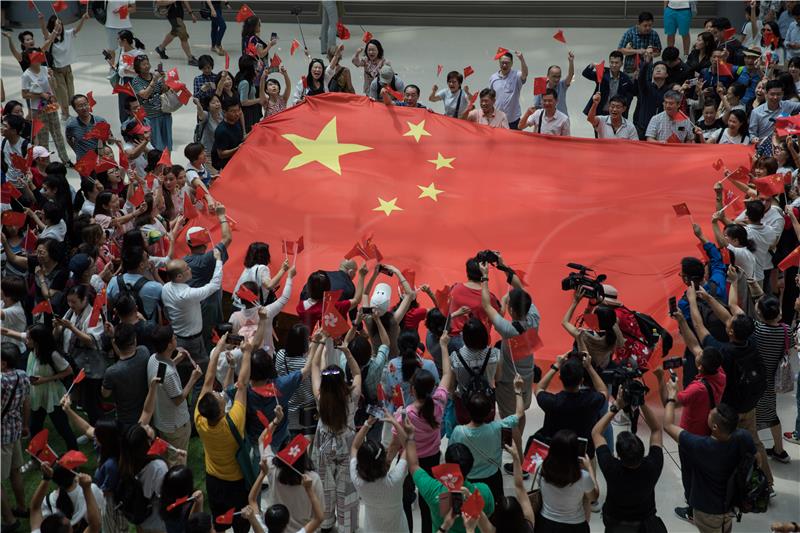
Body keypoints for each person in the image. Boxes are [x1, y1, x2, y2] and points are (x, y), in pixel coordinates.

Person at [684, 281, 774, 493]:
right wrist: (707, 298)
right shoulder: (751, 340)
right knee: (754, 443)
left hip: (728, 411)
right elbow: (728, 318)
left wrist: (692, 301)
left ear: (731, 331)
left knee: (723, 448)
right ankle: (766, 484)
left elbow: (699, 327)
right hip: (749, 405)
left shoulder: (722, 351)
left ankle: (729, 487)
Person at [664, 381, 756, 531]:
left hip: (706, 510)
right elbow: (756, 457)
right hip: (730, 504)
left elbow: (667, 425)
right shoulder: (743, 437)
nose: (708, 412)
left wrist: (671, 397)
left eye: (710, 414)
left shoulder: (700, 446)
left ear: (715, 427)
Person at [477, 260, 540, 471]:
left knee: (510, 418)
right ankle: (516, 442)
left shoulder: (508, 329)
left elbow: (486, 305)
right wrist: (503, 266)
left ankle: (516, 454)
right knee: (520, 415)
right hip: (527, 375)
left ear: (511, 309)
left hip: (509, 383)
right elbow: (521, 290)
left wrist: (485, 276)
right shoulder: (534, 317)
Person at [196, 333, 253, 533]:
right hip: (236, 482)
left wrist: (219, 347)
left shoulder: (199, 418)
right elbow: (243, 385)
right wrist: (247, 353)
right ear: (221, 411)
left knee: (219, 521)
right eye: (219, 397)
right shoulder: (234, 422)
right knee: (241, 521)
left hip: (213, 480)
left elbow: (208, 380)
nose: (219, 394)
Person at [310, 335, 362, 532]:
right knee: (347, 486)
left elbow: (315, 366)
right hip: (346, 443)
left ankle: (326, 523)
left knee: (324, 485)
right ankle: (347, 525)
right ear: (342, 382)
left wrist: (320, 343)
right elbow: (357, 373)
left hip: (324, 445)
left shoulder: (319, 397)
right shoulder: (352, 396)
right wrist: (347, 351)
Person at [592, 394, 665, 533]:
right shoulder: (652, 466)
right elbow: (656, 429)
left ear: (619, 455)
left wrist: (616, 406)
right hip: (645, 523)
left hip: (616, 522)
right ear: (643, 451)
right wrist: (641, 402)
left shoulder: (611, 468)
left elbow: (596, 432)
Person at [450, 374, 524, 505]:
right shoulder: (499, 426)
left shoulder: (458, 432)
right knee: (496, 508)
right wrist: (518, 391)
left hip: (469, 479)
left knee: (473, 511)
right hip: (493, 477)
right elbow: (519, 414)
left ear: (468, 409)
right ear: (489, 411)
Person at [408, 432, 495, 533]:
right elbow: (489, 515)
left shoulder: (432, 489)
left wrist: (410, 436)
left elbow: (413, 465)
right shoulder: (484, 491)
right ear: (470, 466)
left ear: (447, 467)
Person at [535, 352, 608, 458]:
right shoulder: (591, 401)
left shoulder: (552, 402)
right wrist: (589, 367)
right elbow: (603, 390)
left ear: (560, 377)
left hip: (557, 451)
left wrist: (556, 366)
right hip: (582, 453)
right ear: (581, 381)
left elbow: (539, 388)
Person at [147, 325, 201, 466]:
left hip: (162, 420)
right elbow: (178, 399)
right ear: (169, 345)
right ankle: (176, 485)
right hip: (176, 424)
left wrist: (176, 359)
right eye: (174, 338)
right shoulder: (169, 374)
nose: (176, 338)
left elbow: (162, 376)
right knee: (177, 460)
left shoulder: (153, 358)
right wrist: (193, 378)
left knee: (168, 455)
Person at [349, 413, 410, 533]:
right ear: (384, 460)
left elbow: (354, 447)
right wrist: (395, 423)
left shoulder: (358, 480)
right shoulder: (395, 479)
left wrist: (367, 424)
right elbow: (409, 446)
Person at [537, 429, 599, 533]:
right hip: (575, 526)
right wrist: (590, 468)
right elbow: (594, 497)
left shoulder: (542, 469)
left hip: (545, 523)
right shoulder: (583, 476)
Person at [21, 48, 70, 164]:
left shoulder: (45, 69)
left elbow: (55, 87)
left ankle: (65, 159)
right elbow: (24, 94)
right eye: (34, 57)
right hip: (37, 109)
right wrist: (40, 94)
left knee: (57, 133)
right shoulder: (26, 75)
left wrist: (52, 78)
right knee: (43, 137)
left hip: (50, 105)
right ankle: (45, 162)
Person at [0, 345, 29, 533]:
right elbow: (27, 402)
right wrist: (26, 425)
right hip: (15, 430)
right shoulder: (23, 375)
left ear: (3, 363)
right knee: (15, 471)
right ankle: (21, 507)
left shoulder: (1, 380)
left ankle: (10, 521)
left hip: (1, 435)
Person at [40, 13, 89, 121]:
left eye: (61, 24)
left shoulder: (67, 34)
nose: (60, 27)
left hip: (68, 69)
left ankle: (66, 112)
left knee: (71, 94)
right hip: (57, 71)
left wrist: (82, 19)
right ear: (52, 26)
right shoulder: (50, 37)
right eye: (57, 25)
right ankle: (65, 114)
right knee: (63, 95)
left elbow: (77, 30)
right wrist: (42, 20)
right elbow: (45, 33)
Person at [101, 322, 150, 429]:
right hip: (147, 414)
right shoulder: (144, 352)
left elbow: (105, 394)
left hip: (125, 419)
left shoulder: (112, 372)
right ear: (135, 340)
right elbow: (126, 355)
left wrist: (114, 339)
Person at [29, 464, 102, 533]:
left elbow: (35, 508)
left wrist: (46, 478)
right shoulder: (93, 489)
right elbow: (95, 525)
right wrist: (87, 489)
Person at [130, 55, 174, 152]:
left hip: (165, 113)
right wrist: (154, 80)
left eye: (148, 63)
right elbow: (144, 95)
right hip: (151, 118)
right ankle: (159, 166)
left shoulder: (155, 76)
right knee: (156, 147)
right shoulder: (136, 81)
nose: (147, 66)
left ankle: (168, 165)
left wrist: (162, 80)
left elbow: (165, 90)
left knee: (168, 146)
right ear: (138, 67)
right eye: (143, 64)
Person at [581, 51, 634, 118]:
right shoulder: (603, 72)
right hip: (600, 111)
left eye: (616, 63)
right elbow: (586, 74)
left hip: (616, 113)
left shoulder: (625, 78)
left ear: (621, 64)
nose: (614, 65)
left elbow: (631, 93)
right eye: (612, 62)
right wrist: (593, 64)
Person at [64, 94, 108, 168]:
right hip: (84, 164)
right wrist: (78, 152)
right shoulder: (71, 125)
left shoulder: (100, 121)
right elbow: (69, 139)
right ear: (75, 109)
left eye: (85, 104)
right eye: (80, 106)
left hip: (101, 161)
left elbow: (109, 140)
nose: (84, 108)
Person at [633, 53, 670, 139]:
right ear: (652, 73)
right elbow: (641, 78)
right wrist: (646, 63)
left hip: (661, 130)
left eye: (662, 69)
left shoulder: (669, 91)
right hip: (643, 129)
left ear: (666, 75)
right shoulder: (646, 87)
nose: (658, 70)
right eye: (656, 69)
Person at [488, 50, 528, 129]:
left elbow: (525, 74)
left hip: (513, 120)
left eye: (507, 63)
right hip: (497, 119)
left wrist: (521, 59)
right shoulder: (493, 78)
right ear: (499, 62)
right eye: (502, 62)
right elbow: (490, 97)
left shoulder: (517, 75)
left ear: (512, 63)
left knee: (514, 141)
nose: (504, 65)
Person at [154, 0, 199, 66]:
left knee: (174, 32)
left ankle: (160, 48)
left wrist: (191, 13)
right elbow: (159, 2)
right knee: (183, 35)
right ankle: (190, 58)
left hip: (179, 13)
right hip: (172, 14)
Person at [211, 97, 244, 170]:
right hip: (226, 166)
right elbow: (221, 154)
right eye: (233, 111)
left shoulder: (236, 122)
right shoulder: (222, 131)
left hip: (237, 161)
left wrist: (254, 131)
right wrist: (238, 148)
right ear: (224, 112)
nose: (237, 114)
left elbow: (240, 139)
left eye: (238, 110)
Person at [235, 54, 262, 133]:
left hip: (251, 111)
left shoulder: (243, 76)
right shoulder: (245, 83)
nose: (256, 68)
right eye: (254, 66)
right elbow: (243, 102)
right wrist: (259, 100)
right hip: (248, 114)